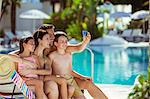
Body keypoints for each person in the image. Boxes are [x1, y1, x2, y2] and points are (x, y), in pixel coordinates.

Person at [39, 24, 108, 99]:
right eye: (50, 34)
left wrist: (85, 41)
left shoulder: (62, 48)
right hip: (56, 81)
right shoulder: (44, 52)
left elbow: (78, 48)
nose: (53, 36)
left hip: (68, 79)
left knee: (88, 83)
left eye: (53, 34)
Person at [33, 30, 68, 99]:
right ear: (40, 40)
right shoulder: (31, 55)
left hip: (43, 79)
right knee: (55, 83)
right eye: (47, 39)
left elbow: (48, 71)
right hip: (33, 82)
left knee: (57, 83)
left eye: (50, 39)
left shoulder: (46, 58)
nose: (50, 41)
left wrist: (32, 71)